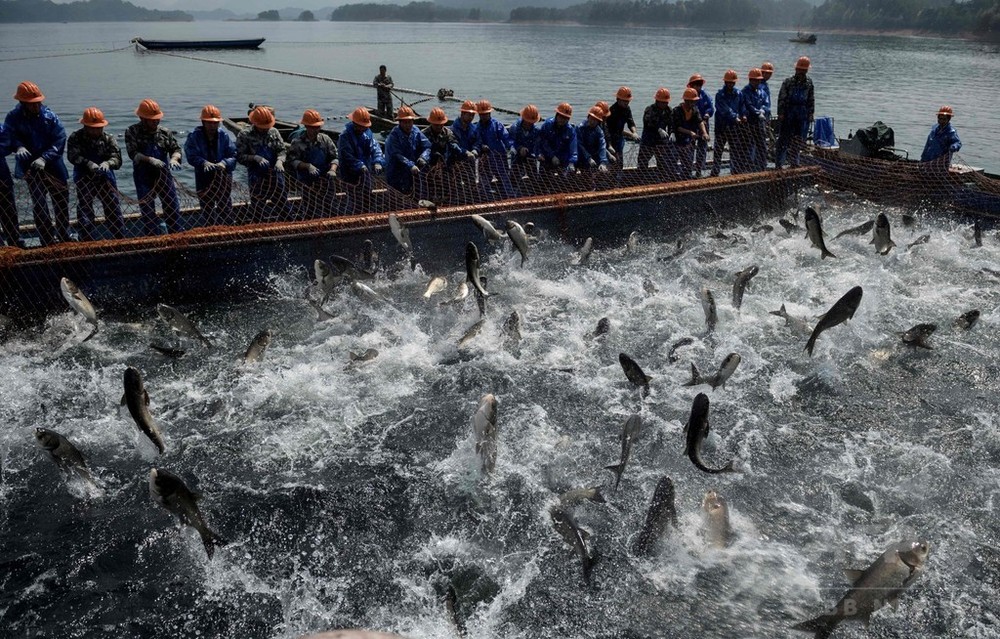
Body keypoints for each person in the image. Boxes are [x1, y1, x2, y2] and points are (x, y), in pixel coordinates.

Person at [5, 81, 71, 245]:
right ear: (22, 103)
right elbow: (8, 136)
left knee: (61, 200)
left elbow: (60, 138)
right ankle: (46, 239)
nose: (36, 106)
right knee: (40, 204)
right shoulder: (13, 118)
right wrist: (18, 146)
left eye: (38, 103)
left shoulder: (50, 117)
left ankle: (64, 235)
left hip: (53, 165)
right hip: (31, 167)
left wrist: (45, 158)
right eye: (32, 104)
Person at [125, 98, 183, 235]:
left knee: (172, 206)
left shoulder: (165, 132)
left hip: (163, 175)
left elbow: (176, 149)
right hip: (143, 176)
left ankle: (176, 235)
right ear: (142, 118)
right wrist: (149, 159)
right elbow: (133, 154)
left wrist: (174, 159)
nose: (156, 121)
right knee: (147, 210)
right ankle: (152, 237)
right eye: (152, 119)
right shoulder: (132, 131)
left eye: (157, 118)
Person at [66, 107, 124, 240]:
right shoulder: (76, 137)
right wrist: (87, 163)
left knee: (113, 209)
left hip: (106, 178)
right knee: (85, 209)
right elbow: (72, 156)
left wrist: (108, 163)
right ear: (85, 126)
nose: (96, 130)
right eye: (93, 128)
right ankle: (86, 239)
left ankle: (119, 237)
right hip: (84, 177)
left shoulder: (109, 138)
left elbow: (117, 158)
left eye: (99, 127)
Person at [184, 104, 237, 227]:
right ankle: (210, 229)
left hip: (223, 177)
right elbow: (191, 155)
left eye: (215, 123)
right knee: (206, 207)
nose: (213, 125)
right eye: (209, 123)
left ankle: (228, 229)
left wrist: (224, 163)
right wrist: (203, 162)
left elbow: (233, 155)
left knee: (225, 206)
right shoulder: (194, 136)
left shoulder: (223, 135)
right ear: (203, 122)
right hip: (203, 177)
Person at [236, 105, 290, 221]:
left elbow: (282, 150)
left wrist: (280, 161)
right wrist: (254, 157)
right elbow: (239, 157)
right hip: (256, 177)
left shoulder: (274, 132)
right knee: (258, 210)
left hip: (276, 175)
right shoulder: (244, 135)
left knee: (284, 206)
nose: (265, 129)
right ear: (254, 123)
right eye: (262, 127)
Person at [287, 109, 339, 218]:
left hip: (326, 179)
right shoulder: (297, 142)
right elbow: (292, 161)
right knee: (310, 209)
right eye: (313, 127)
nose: (316, 130)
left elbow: (335, 157)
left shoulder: (326, 139)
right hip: (307, 181)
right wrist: (307, 166)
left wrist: (333, 169)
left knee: (331, 208)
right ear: (306, 126)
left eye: (318, 127)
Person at [337, 107, 384, 215]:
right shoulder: (344, 137)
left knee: (368, 199)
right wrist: (360, 166)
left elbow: (375, 148)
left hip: (366, 174)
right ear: (354, 123)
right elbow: (347, 157)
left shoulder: (368, 133)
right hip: (350, 176)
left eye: (364, 126)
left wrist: (377, 162)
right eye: (360, 126)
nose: (362, 128)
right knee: (353, 202)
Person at [775, 56, 814, 169]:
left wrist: (810, 113)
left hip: (802, 114)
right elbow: (781, 98)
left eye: (804, 69)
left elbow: (811, 99)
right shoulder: (788, 82)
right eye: (800, 69)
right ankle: (779, 164)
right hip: (789, 113)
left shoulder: (809, 83)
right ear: (796, 69)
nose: (802, 71)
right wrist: (781, 113)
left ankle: (794, 162)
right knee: (783, 139)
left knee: (798, 140)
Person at [384, 105, 430, 196]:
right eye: (405, 122)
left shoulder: (416, 131)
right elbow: (397, 154)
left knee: (414, 193)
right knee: (396, 195)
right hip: (395, 171)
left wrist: (423, 157)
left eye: (410, 122)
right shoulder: (394, 135)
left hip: (411, 170)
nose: (408, 125)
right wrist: (410, 165)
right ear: (399, 122)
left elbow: (427, 146)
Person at [422, 107, 463, 204]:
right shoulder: (424, 134)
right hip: (428, 165)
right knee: (429, 186)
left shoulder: (447, 132)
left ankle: (446, 201)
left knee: (447, 185)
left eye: (440, 125)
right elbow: (420, 149)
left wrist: (457, 149)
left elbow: (453, 142)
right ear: (431, 123)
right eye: (436, 125)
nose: (439, 127)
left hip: (444, 165)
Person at [476, 99, 514, 198]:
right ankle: (483, 199)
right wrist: (481, 146)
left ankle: (509, 198)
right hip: (485, 159)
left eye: (486, 114)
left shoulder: (497, 125)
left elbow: (506, 138)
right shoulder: (476, 128)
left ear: (490, 113)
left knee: (504, 179)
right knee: (484, 182)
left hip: (499, 157)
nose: (484, 116)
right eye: (482, 114)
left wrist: (511, 147)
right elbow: (476, 142)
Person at [712, 69, 746, 177]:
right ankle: (715, 171)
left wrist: (744, 115)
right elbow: (724, 109)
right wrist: (735, 117)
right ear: (725, 82)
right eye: (728, 82)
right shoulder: (720, 95)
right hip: (721, 126)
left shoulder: (739, 93)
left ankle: (734, 170)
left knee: (735, 149)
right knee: (718, 150)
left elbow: (742, 106)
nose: (730, 84)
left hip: (734, 127)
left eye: (732, 82)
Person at [672, 87, 708, 180]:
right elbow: (677, 127)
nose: (692, 103)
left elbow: (700, 121)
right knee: (672, 163)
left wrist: (704, 133)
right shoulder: (677, 110)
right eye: (691, 101)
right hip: (677, 140)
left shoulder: (695, 110)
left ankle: (686, 179)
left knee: (688, 164)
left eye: (694, 101)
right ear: (685, 100)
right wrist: (690, 132)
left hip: (688, 141)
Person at [638, 88, 674, 177]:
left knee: (662, 163)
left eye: (666, 102)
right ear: (657, 100)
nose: (665, 104)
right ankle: (641, 179)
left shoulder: (669, 110)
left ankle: (661, 180)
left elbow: (672, 123)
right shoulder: (650, 109)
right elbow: (647, 122)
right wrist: (658, 129)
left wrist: (672, 132)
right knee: (643, 162)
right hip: (648, 141)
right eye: (663, 102)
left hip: (661, 142)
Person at [537, 102, 578, 175]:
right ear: (557, 115)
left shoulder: (570, 130)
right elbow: (542, 142)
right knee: (543, 179)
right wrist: (552, 156)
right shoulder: (547, 125)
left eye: (565, 118)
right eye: (561, 117)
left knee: (564, 180)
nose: (562, 120)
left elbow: (573, 148)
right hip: (547, 158)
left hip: (563, 161)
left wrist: (572, 162)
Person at [0, 120, 22, 247]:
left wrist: (19, 146)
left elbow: (10, 140)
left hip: (2, 176)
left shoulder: (1, 129)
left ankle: (16, 241)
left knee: (9, 210)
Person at [742, 68, 769, 171]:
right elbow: (748, 105)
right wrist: (758, 113)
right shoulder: (745, 92)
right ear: (750, 80)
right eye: (754, 80)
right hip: (749, 122)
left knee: (761, 144)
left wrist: (762, 111)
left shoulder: (762, 92)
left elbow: (766, 104)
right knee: (748, 144)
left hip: (759, 122)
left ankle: (762, 166)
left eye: (758, 80)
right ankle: (748, 167)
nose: (757, 82)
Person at [687, 74, 714, 177]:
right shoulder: (689, 95)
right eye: (696, 84)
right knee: (689, 148)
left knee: (702, 148)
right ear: (691, 85)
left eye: (699, 84)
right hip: (691, 125)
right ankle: (688, 170)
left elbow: (711, 108)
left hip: (703, 123)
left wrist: (707, 114)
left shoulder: (705, 95)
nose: (698, 87)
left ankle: (698, 171)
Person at [606, 86, 638, 168]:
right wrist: (630, 135)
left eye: (628, 101)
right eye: (624, 101)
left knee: (620, 162)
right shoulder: (612, 111)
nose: (626, 103)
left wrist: (634, 132)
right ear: (618, 99)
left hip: (619, 139)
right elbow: (614, 129)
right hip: (610, 139)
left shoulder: (627, 109)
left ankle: (618, 179)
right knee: (612, 162)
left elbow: (630, 122)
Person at [451, 100, 480, 190]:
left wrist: (475, 149)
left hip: (470, 162)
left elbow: (478, 141)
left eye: (473, 115)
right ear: (462, 113)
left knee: (471, 184)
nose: (471, 117)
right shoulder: (453, 129)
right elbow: (453, 145)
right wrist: (465, 152)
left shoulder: (473, 128)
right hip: (455, 161)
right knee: (456, 185)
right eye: (469, 114)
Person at [509, 104, 541, 179]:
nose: (529, 124)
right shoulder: (514, 128)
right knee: (514, 175)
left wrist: (538, 153)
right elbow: (510, 142)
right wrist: (520, 148)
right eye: (528, 121)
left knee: (534, 176)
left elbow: (538, 145)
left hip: (530, 155)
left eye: (532, 122)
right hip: (516, 155)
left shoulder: (536, 131)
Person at [576, 106, 609, 175]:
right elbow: (579, 145)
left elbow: (602, 146)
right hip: (580, 155)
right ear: (588, 117)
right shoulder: (580, 128)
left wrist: (603, 161)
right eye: (591, 118)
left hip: (593, 155)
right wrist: (588, 158)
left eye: (595, 120)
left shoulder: (599, 131)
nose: (592, 122)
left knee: (604, 167)